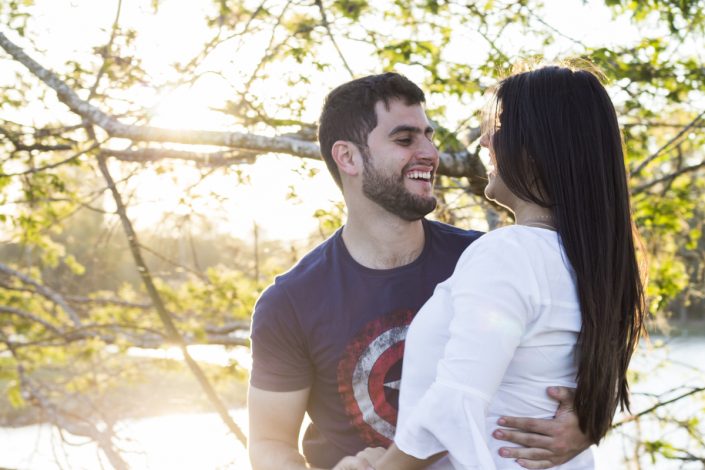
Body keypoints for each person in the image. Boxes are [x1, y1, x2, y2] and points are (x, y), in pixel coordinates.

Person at [248, 72, 592, 470]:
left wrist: (588, 422)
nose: (430, 153)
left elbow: (567, 363)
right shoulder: (290, 302)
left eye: (429, 136)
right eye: (405, 139)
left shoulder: (484, 258)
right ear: (348, 157)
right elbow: (270, 441)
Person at [332, 65, 646, 470]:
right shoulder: (587, 261)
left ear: (536, 147)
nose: (483, 140)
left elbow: (454, 404)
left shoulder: (508, 253)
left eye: (498, 127)